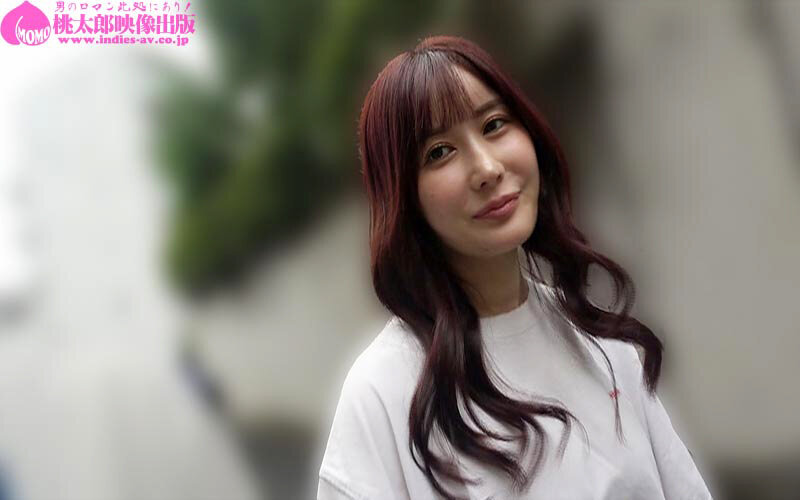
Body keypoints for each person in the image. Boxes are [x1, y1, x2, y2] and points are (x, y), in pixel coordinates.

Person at [317, 35, 713, 500]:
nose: (487, 167)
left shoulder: (603, 343)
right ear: (405, 198)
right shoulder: (382, 393)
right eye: (439, 152)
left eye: (494, 124)